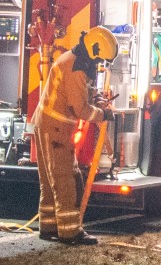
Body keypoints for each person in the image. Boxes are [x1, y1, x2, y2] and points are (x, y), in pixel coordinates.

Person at [31, 27, 116, 245]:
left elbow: (84, 92)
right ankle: (70, 232)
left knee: (51, 180)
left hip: (48, 124)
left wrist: (97, 99)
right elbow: (80, 109)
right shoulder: (76, 68)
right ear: (95, 49)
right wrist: (103, 113)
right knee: (66, 180)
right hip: (56, 127)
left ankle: (49, 227)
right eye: (101, 59)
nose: (100, 64)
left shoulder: (77, 58)